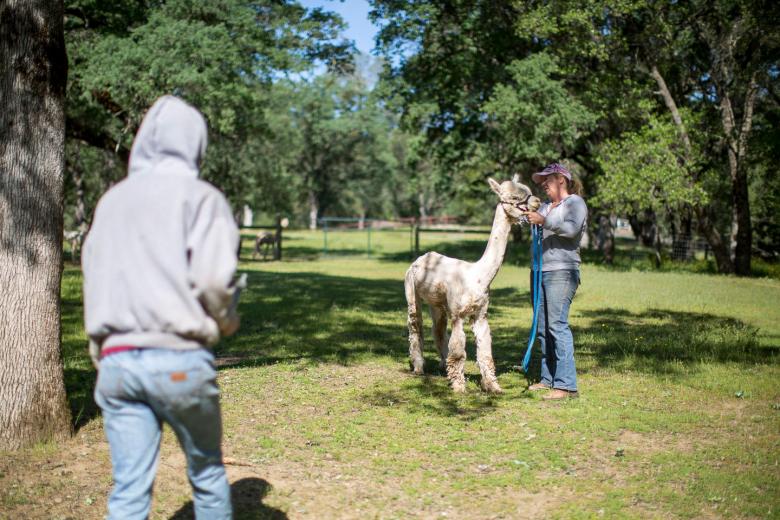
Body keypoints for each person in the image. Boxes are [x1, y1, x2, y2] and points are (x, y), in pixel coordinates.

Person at [82, 95, 241, 519]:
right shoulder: (201, 197)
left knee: (129, 489)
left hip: (116, 363)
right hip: (178, 358)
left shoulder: (111, 201)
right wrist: (226, 320)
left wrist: (100, 348)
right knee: (206, 472)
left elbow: (93, 275)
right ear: (195, 143)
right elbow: (212, 280)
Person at [525, 163, 588, 400]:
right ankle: (548, 378)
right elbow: (535, 221)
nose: (543, 186)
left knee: (557, 325)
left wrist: (543, 220)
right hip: (539, 270)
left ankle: (567, 385)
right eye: (541, 183)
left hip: (562, 271)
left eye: (547, 181)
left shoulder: (575, 203)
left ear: (560, 180)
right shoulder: (544, 206)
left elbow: (571, 230)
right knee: (542, 328)